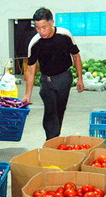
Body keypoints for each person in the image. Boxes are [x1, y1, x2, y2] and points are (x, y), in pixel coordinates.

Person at [22, 7, 84, 140]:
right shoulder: (35, 43)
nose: (41, 31)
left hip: (64, 78)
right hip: (47, 81)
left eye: (44, 27)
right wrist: (28, 94)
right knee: (50, 111)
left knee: (60, 110)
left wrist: (80, 79)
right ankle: (51, 140)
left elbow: (76, 56)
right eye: (37, 28)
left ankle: (55, 138)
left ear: (52, 22)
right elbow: (31, 70)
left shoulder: (65, 35)